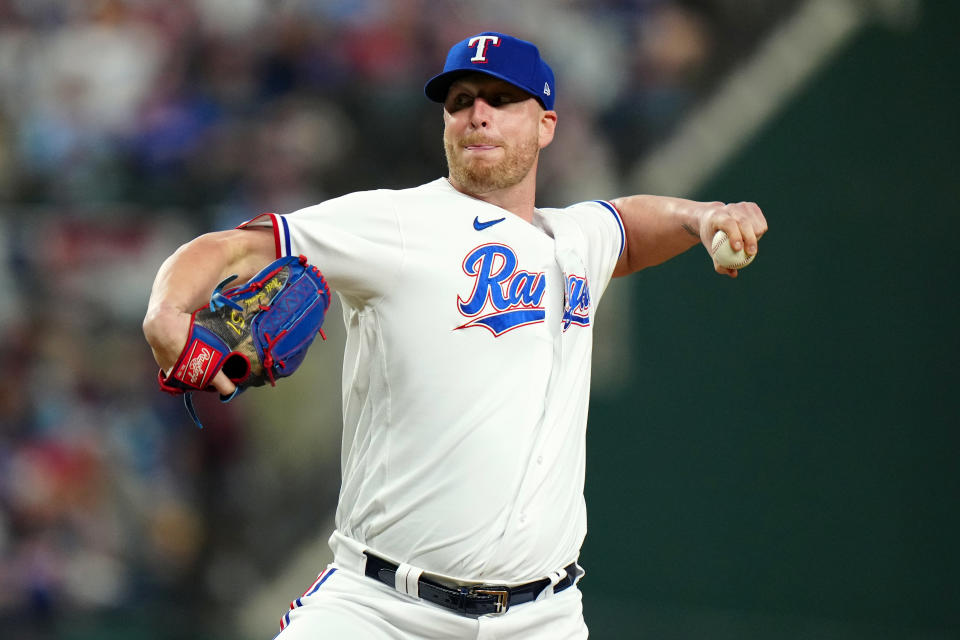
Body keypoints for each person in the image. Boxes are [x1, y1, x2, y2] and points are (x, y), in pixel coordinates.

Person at [144, 31, 767, 639]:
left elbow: (627, 226)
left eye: (501, 99)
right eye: (461, 100)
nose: (478, 115)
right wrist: (168, 309)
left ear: (545, 124)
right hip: (382, 608)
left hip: (540, 616)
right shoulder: (398, 221)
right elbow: (232, 248)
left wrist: (703, 215)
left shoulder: (576, 241)